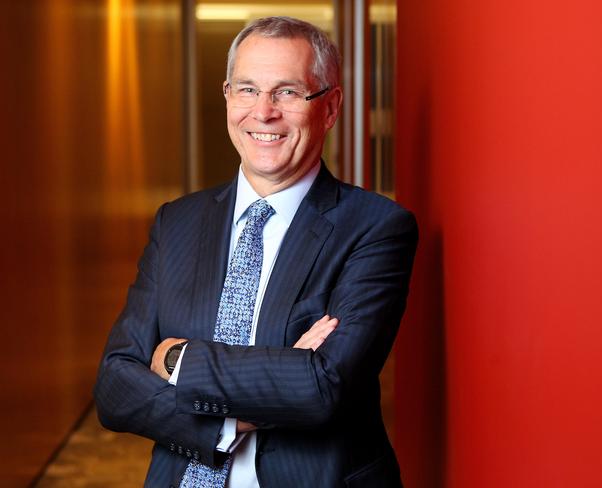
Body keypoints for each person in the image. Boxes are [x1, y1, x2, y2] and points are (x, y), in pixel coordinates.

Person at [94, 16, 417, 488]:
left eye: (287, 92)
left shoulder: (374, 227)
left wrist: (175, 359)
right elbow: (114, 388)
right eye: (246, 89)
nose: (263, 112)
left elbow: (323, 388)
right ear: (227, 96)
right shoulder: (176, 222)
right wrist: (239, 417)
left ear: (329, 107)